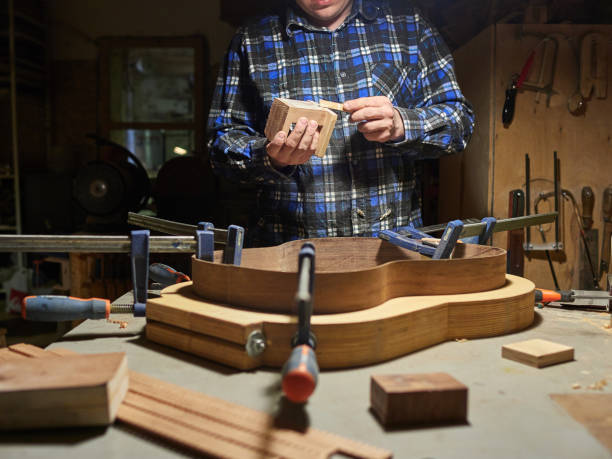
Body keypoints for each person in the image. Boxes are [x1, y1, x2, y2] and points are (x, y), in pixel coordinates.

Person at [207, 0, 474, 247]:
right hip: (288, 256)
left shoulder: (410, 26)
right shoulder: (251, 40)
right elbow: (221, 147)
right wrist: (270, 157)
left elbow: (460, 123)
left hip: (392, 253)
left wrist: (402, 125)